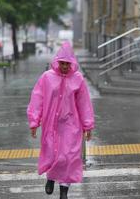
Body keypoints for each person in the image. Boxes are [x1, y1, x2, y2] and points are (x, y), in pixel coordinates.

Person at [27, 41, 95, 199]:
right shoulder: (47, 77)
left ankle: (64, 190)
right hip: (51, 124)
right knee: (52, 154)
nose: (64, 66)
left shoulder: (78, 79)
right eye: (62, 63)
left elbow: (84, 103)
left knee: (69, 157)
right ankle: (50, 177)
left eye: (67, 64)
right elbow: (38, 99)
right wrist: (34, 122)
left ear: (72, 63)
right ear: (57, 62)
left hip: (71, 125)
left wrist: (88, 125)